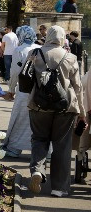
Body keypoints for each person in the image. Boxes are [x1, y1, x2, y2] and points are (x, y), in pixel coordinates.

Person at [26, 25, 86, 197]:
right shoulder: (70, 57)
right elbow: (78, 86)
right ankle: (59, 188)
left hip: (38, 105)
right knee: (62, 145)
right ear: (61, 38)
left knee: (39, 139)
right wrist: (81, 112)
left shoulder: (35, 54)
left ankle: (37, 170)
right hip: (65, 107)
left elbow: (23, 75)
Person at [2, 25, 39, 157]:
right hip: (39, 91)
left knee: (20, 118)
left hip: (24, 90)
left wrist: (11, 90)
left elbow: (14, 73)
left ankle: (15, 147)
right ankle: (44, 151)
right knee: (39, 121)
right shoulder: (39, 48)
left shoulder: (19, 50)